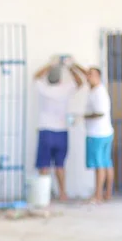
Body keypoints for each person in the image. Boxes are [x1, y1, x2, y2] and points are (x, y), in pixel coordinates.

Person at [33, 57, 83, 201]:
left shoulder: (43, 88)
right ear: (60, 79)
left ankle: (44, 195)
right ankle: (63, 194)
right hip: (62, 132)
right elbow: (80, 82)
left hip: (46, 130)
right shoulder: (65, 89)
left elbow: (36, 76)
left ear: (48, 78)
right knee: (60, 165)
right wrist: (70, 66)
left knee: (44, 164)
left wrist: (50, 64)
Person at [75, 65, 114, 203]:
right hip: (105, 132)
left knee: (100, 165)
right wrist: (73, 64)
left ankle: (98, 195)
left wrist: (83, 117)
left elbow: (100, 113)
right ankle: (107, 194)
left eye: (90, 74)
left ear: (97, 76)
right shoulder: (96, 90)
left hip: (97, 134)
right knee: (106, 163)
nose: (87, 76)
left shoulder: (98, 92)